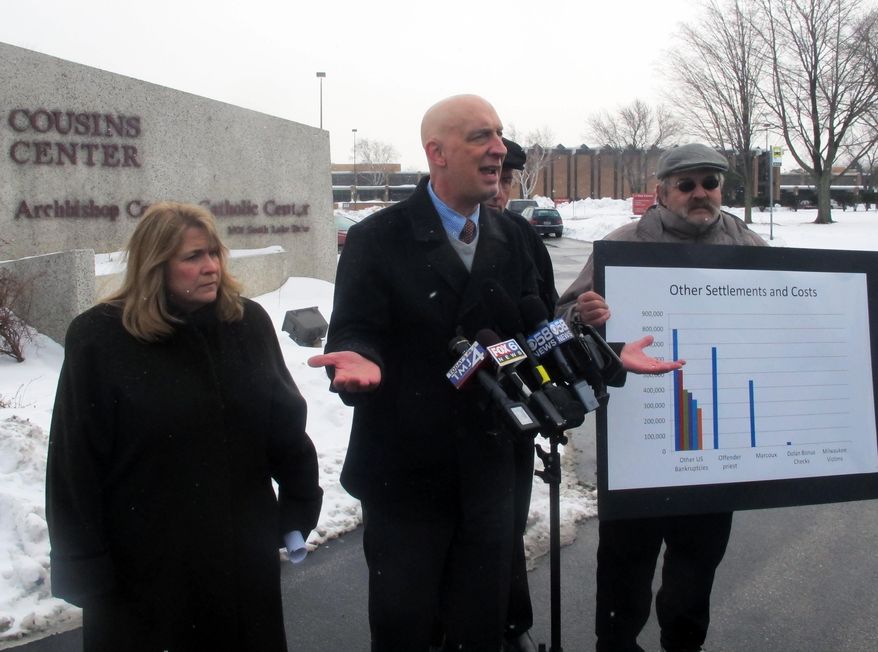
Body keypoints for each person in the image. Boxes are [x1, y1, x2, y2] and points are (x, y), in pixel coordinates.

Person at [308, 94, 540, 651]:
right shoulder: (376, 238)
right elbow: (355, 330)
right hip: (405, 476)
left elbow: (537, 333)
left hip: (491, 470)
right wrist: (359, 358)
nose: (498, 148)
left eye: (500, 136)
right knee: (404, 627)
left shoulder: (519, 239)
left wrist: (598, 346)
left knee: (479, 628)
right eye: (481, 136)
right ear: (436, 152)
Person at [46, 201, 324, 652]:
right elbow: (74, 464)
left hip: (240, 560)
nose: (210, 267)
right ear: (155, 266)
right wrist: (82, 562)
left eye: (214, 253)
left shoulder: (246, 323)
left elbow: (284, 427)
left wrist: (298, 501)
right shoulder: (100, 338)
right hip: (145, 570)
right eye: (192, 257)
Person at [556, 143, 768, 652]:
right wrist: (581, 316)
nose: (701, 193)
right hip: (639, 445)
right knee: (624, 573)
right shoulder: (622, 245)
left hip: (716, 447)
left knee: (695, 576)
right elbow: (560, 319)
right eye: (687, 184)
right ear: (661, 192)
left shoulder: (750, 244)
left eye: (710, 183)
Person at [487, 137, 558, 315]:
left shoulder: (521, 231)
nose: (497, 193)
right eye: (489, 177)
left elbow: (548, 301)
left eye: (505, 181)